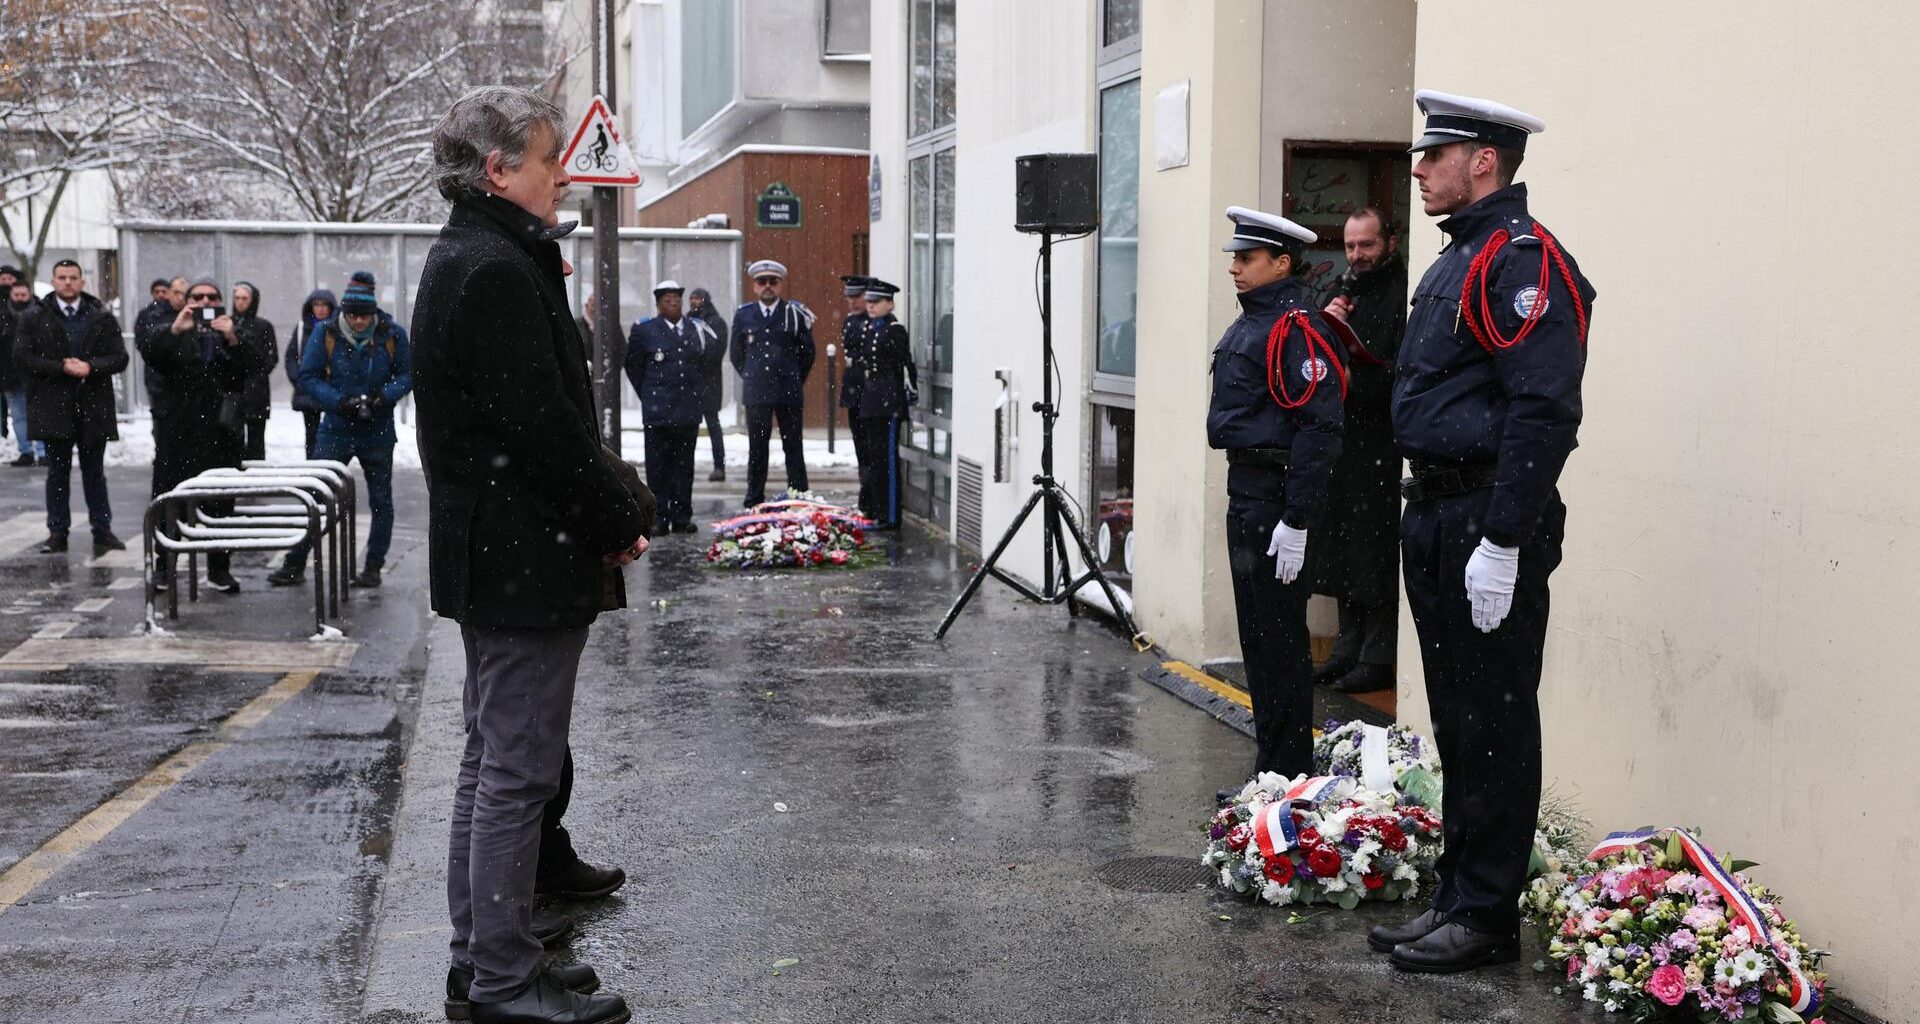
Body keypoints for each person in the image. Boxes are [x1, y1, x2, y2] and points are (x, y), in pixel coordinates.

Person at [413, 85, 644, 1024]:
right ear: (500, 170)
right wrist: (616, 514)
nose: (565, 178)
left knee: (494, 764)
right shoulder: (495, 268)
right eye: (552, 161)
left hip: (501, 554)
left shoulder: (478, 254)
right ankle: (502, 984)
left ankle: (487, 962)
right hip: (521, 558)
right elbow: (545, 431)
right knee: (515, 772)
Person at [1368, 90, 1596, 975]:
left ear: (1484, 163)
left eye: (1435, 154)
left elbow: (1544, 410)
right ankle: (1459, 895)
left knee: (1496, 719)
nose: (1420, 169)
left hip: (1484, 513)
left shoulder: (1520, 261)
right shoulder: (1460, 258)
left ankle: (1488, 913)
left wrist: (1503, 539)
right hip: (1435, 509)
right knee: (1462, 721)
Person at [1205, 207, 1344, 798]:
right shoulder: (1255, 321)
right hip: (1248, 494)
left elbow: (1319, 428)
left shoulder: (1296, 327)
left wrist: (1297, 518)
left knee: (1282, 643)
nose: (1235, 267)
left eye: (1247, 258)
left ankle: (1288, 776)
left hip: (1274, 498)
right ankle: (1270, 769)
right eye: (1235, 257)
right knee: (1257, 639)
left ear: (1281, 263)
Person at [1306, 208, 1408, 695]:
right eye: (1349, 246)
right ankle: (1346, 647)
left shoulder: (1401, 291)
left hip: (1382, 444)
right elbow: (1314, 357)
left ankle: (1377, 655)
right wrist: (1327, 327)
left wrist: (1357, 377)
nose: (1357, 255)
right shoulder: (1344, 290)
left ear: (1389, 241)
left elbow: (1402, 370)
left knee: (1375, 553)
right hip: (1344, 444)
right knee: (1343, 550)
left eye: (1366, 245)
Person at [269, 272, 410, 589]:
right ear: (344, 313)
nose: (359, 322)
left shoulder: (391, 335)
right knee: (316, 496)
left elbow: (407, 373)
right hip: (336, 429)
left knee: (381, 502)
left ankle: (373, 566)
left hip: (377, 431)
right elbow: (309, 376)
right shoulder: (326, 333)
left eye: (364, 316)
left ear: (373, 313)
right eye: (353, 316)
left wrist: (381, 398)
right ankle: (295, 561)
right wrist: (340, 402)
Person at [139, 278, 260, 590]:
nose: (206, 302)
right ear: (185, 300)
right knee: (170, 502)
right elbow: (151, 353)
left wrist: (232, 337)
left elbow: (257, 366)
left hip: (221, 434)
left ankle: (219, 567)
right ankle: (165, 566)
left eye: (212, 296)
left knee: (220, 503)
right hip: (179, 432)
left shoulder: (234, 330)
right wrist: (177, 329)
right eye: (198, 297)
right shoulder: (172, 327)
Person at [16, 260, 130, 556]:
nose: (67, 283)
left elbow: (119, 357)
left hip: (92, 405)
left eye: (73, 278)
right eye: (62, 278)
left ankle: (102, 529)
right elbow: (23, 358)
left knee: (95, 472)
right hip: (54, 406)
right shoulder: (34, 317)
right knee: (57, 472)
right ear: (53, 281)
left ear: (82, 282)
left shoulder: (100, 316)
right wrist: (60, 367)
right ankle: (57, 532)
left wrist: (90, 367)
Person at [624, 281, 712, 533]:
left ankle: (682, 516)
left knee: (684, 467)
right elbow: (633, 366)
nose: (673, 303)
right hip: (658, 412)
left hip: (687, 411)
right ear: (658, 304)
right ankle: (659, 517)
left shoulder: (695, 329)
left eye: (676, 298)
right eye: (667, 299)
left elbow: (703, 366)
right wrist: (650, 394)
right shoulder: (646, 330)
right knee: (658, 468)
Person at [728, 259, 814, 507]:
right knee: (757, 448)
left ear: (780, 286)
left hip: (788, 390)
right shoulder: (744, 315)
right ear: (754, 287)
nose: (767, 286)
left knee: (793, 446)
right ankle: (754, 498)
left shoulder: (795, 314)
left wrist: (794, 378)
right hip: (757, 392)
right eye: (762, 282)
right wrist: (753, 376)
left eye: (773, 282)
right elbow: (736, 354)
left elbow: (808, 353)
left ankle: (799, 494)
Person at [851, 279, 916, 528]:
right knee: (874, 459)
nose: (870, 306)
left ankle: (890, 515)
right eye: (868, 301)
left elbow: (905, 367)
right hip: (871, 399)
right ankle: (877, 510)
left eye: (876, 302)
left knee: (887, 460)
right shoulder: (871, 328)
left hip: (888, 402)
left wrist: (905, 396)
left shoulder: (894, 329)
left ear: (890, 303)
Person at [0, 266, 45, 467]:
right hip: (10, 373)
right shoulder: (3, 315)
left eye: (23, 294)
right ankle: (25, 451)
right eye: (16, 294)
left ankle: (43, 452)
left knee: (39, 413)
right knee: (18, 416)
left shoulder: (40, 313)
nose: (19, 297)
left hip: (36, 372)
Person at [285, 288, 336, 458]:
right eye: (316, 305)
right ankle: (313, 464)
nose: (320, 309)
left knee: (332, 433)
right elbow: (291, 356)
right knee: (311, 433)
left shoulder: (338, 329)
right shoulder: (302, 329)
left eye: (324, 305)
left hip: (332, 388)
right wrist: (299, 379)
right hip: (309, 390)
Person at [231, 281, 278, 462]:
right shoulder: (227, 323)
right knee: (232, 438)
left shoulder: (263, 327)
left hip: (256, 391)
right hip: (233, 390)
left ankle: (256, 475)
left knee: (256, 441)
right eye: (237, 298)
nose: (240, 302)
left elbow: (270, 358)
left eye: (244, 298)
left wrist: (255, 373)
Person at [836, 274, 871, 509]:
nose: (851, 301)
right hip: (854, 389)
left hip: (868, 389)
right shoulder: (850, 321)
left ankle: (868, 497)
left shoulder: (872, 321)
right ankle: (865, 492)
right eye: (849, 296)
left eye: (856, 296)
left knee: (870, 449)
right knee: (860, 446)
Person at [686, 287, 728, 481]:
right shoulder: (686, 321)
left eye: (698, 298)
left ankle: (719, 465)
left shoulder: (716, 323)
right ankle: (686, 468)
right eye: (692, 298)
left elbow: (715, 352)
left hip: (709, 384)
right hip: (690, 385)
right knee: (688, 429)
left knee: (713, 425)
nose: (695, 302)